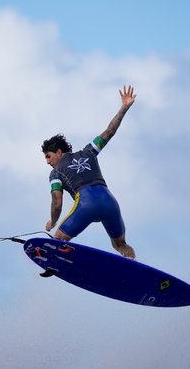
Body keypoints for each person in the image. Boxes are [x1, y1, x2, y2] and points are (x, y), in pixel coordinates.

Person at [42, 85, 136, 259]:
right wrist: (124, 107)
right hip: (109, 202)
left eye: (48, 157)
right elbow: (110, 131)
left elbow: (57, 203)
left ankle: (53, 264)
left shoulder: (55, 173)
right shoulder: (89, 152)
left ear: (59, 152)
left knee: (58, 240)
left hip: (86, 203)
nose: (47, 162)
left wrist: (53, 222)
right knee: (120, 244)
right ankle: (132, 264)